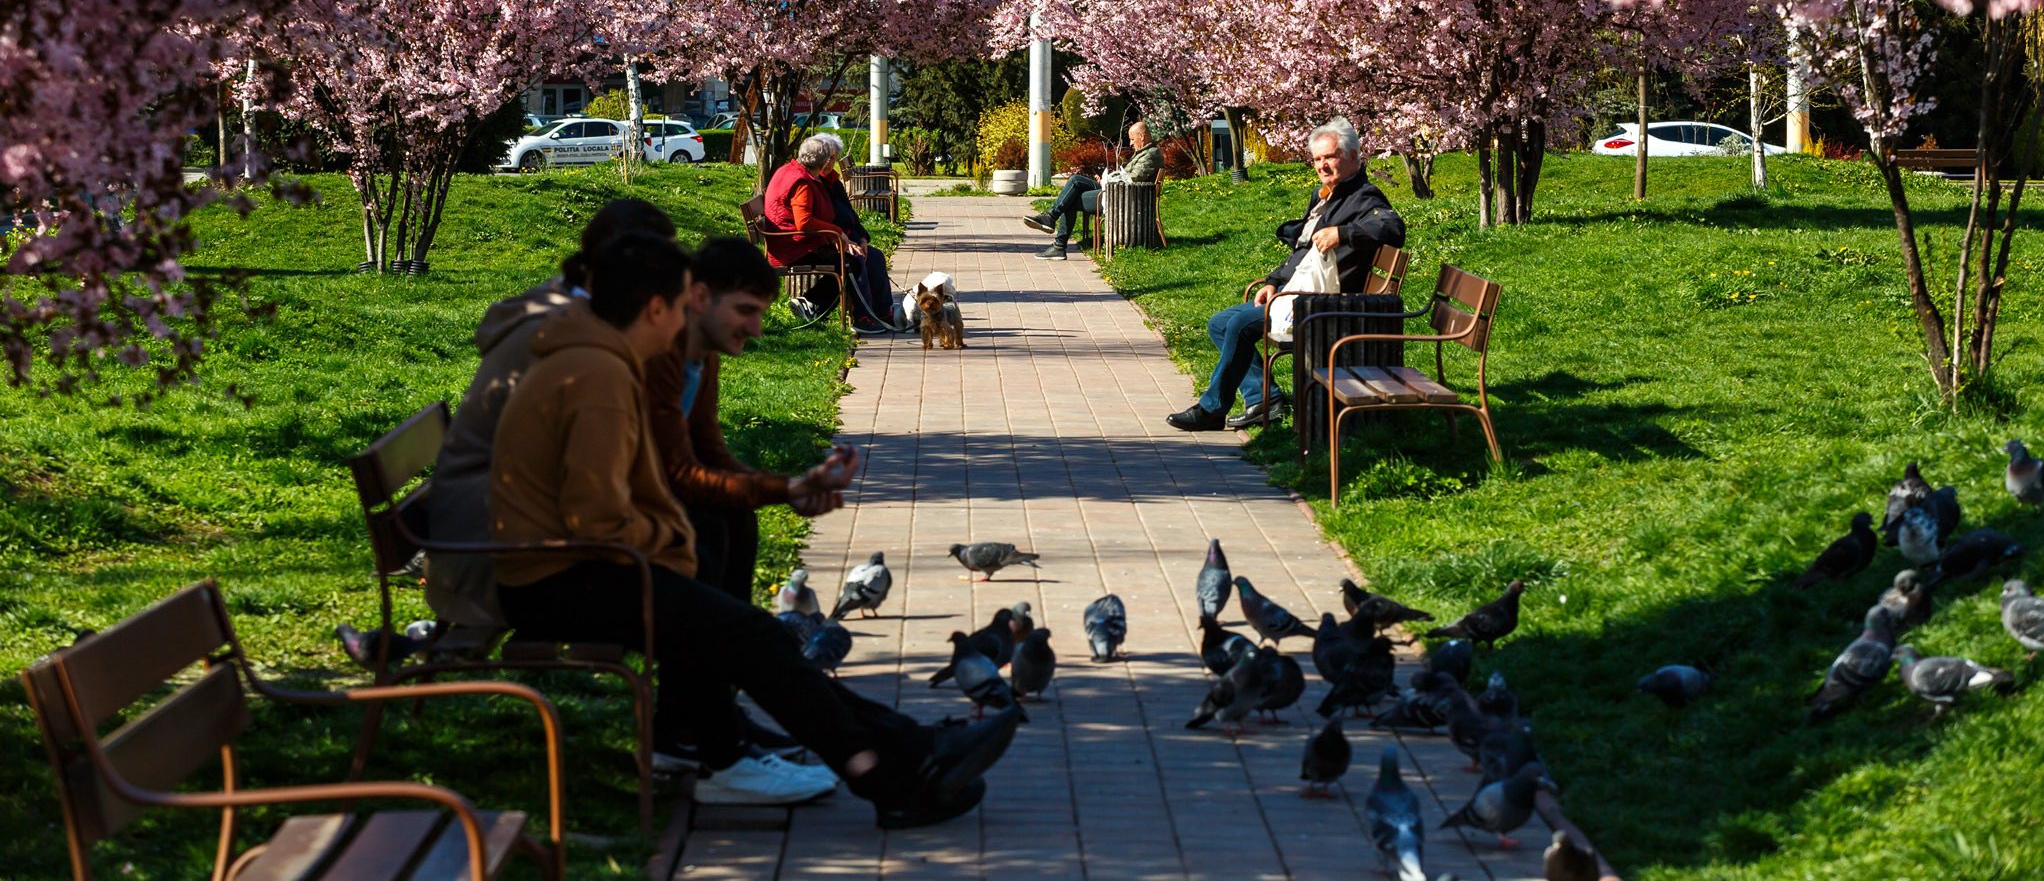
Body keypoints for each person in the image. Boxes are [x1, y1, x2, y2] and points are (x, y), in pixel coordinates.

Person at [492, 231, 1018, 819]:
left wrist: (713, 526)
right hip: (555, 581)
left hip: (580, 565)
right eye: (681, 307)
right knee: (745, 630)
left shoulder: (604, 361)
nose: (684, 328)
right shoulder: (600, 375)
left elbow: (646, 487)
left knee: (736, 597)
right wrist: (677, 551)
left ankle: (897, 754)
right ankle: (888, 769)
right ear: (660, 306)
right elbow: (600, 512)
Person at [643, 236, 862, 753]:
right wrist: (785, 487)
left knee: (732, 520)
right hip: (575, 554)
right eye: (745, 310)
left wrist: (786, 490)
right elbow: (677, 474)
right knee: (709, 529)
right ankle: (697, 726)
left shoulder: (700, 352)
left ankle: (707, 716)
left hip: (638, 514)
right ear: (698, 297)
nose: (757, 327)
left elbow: (709, 454)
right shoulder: (661, 355)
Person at [425, 198, 676, 627]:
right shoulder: (569, 333)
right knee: (698, 542)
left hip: (489, 526)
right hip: (493, 552)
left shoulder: (565, 307)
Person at [1166, 117, 1405, 431]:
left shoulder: (1364, 197)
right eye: (1317, 159)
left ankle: (1213, 409)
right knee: (1221, 323)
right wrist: (1274, 281)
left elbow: (1393, 228)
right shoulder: (1325, 197)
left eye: (1329, 157)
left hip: (1326, 305)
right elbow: (1302, 253)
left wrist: (1344, 234)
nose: (1322, 165)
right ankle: (1263, 399)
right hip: (1299, 294)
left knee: (1240, 324)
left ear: (1352, 156)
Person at [765, 133, 895, 332]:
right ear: (823, 160)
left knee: (873, 256)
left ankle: (883, 313)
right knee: (852, 262)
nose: (831, 163)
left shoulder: (796, 172)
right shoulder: (803, 182)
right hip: (795, 246)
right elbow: (804, 222)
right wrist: (838, 234)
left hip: (801, 241)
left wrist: (857, 237)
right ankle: (862, 318)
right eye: (830, 158)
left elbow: (839, 215)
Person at [1026, 120, 1163, 261]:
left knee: (1070, 200)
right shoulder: (1145, 152)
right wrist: (1107, 178)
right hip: (1118, 191)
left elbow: (1133, 179)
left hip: (1121, 198)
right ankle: (1051, 221)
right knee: (1076, 180)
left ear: (1142, 136)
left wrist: (1111, 178)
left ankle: (1058, 242)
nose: (1131, 143)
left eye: (1132, 139)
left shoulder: (1150, 154)